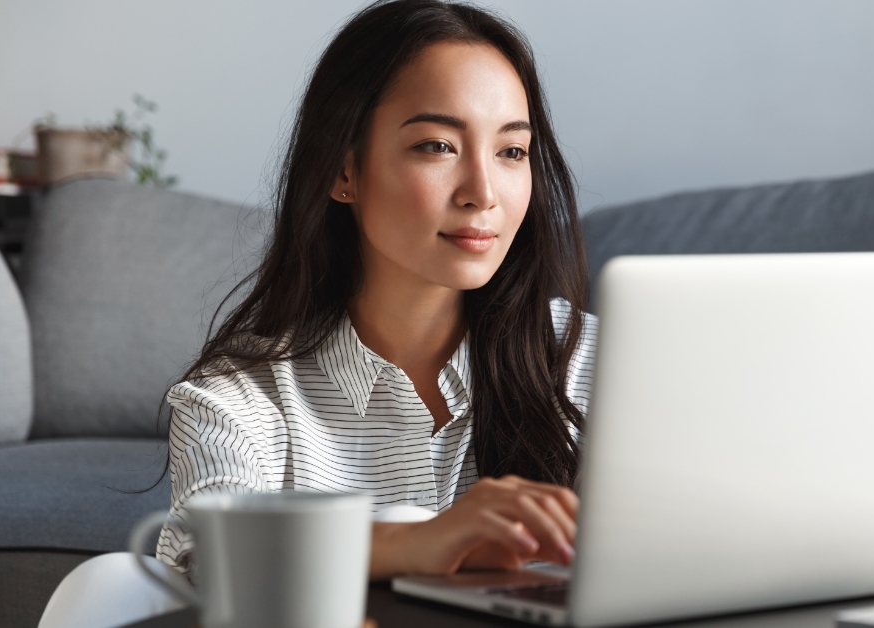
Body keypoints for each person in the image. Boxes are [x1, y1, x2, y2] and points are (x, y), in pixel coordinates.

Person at [154, 0, 596, 579]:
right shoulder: (235, 399)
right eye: (437, 146)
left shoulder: (596, 360)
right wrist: (424, 542)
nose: (483, 192)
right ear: (344, 172)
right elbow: (207, 558)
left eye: (511, 151)